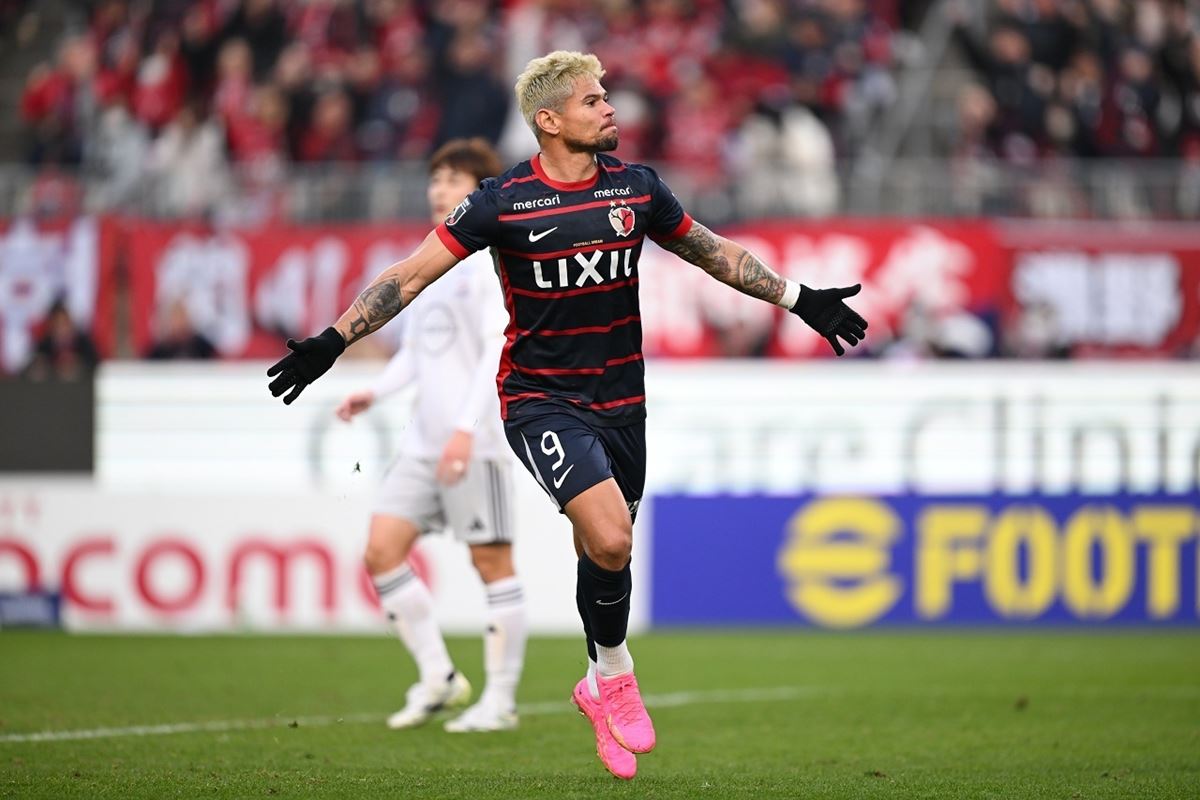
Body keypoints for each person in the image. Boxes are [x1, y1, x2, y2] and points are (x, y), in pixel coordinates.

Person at [268, 51, 867, 779]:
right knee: (611, 536)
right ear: (549, 121)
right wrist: (334, 341)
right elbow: (410, 275)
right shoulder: (501, 202)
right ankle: (615, 673)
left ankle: (591, 684)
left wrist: (801, 299)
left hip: (622, 402)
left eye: (605, 96)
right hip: (539, 399)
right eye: (592, 101)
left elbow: (711, 252)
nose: (610, 108)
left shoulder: (636, 188)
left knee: (604, 551)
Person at [334, 138, 527, 733]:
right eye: (436, 178)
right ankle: (439, 676)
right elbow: (417, 353)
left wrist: (466, 432)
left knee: (491, 562)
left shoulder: (489, 264)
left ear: (480, 193)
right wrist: (376, 392)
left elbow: (495, 351)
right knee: (381, 552)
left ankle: (501, 700)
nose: (440, 189)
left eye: (454, 179)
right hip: (422, 443)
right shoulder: (428, 259)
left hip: (475, 444)